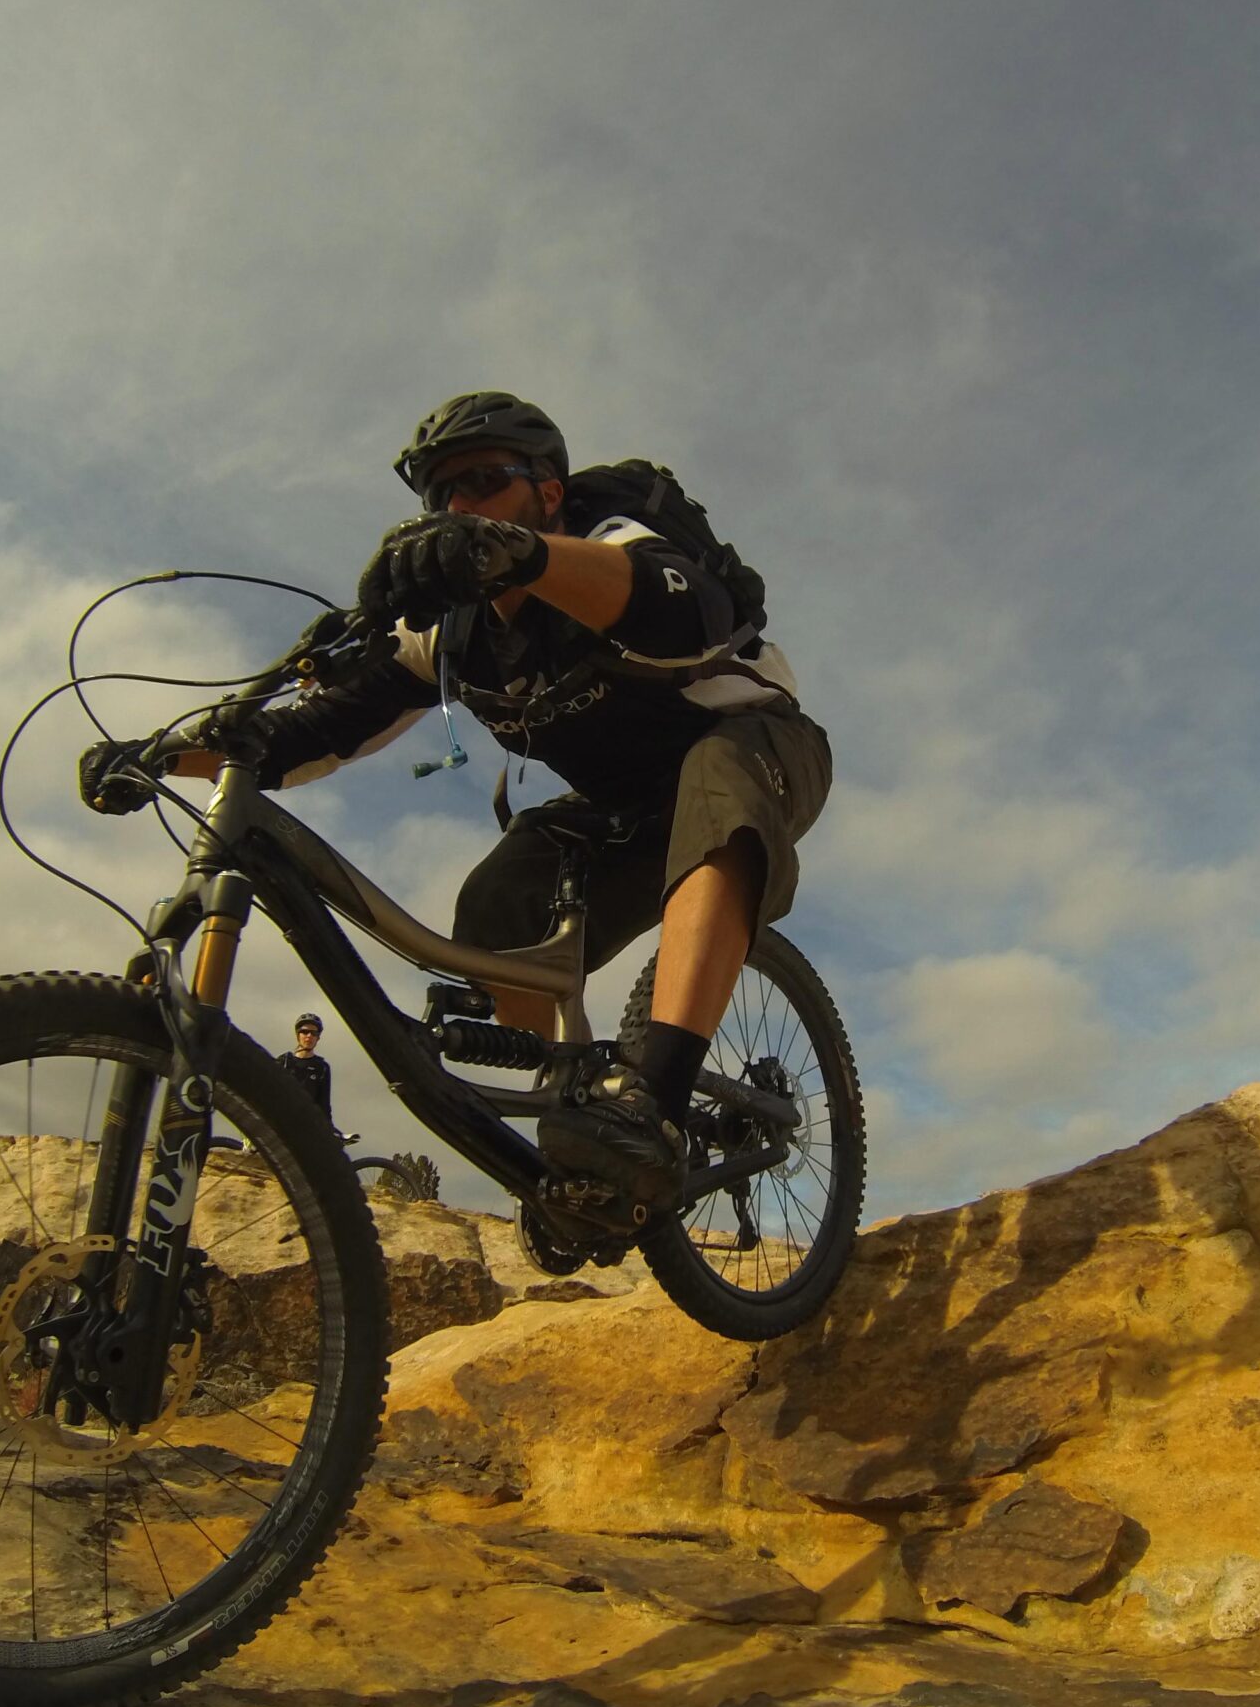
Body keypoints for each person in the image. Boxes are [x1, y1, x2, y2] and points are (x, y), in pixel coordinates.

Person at [83, 392, 829, 1210]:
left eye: (480, 482)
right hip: (620, 806)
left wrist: (519, 555)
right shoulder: (451, 635)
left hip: (756, 745)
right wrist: (159, 754)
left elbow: (684, 609)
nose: (457, 507)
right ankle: (582, 1130)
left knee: (716, 789)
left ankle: (651, 1104)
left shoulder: (606, 533)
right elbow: (312, 736)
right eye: (441, 496)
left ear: (547, 491)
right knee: (496, 905)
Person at [276, 1012, 332, 1123]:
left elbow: (324, 1104)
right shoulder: (284, 1061)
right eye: (304, 1032)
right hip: (282, 1120)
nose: (309, 1036)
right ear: (298, 1035)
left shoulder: (321, 1067)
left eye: (314, 1033)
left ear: (318, 1037)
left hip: (306, 1124)